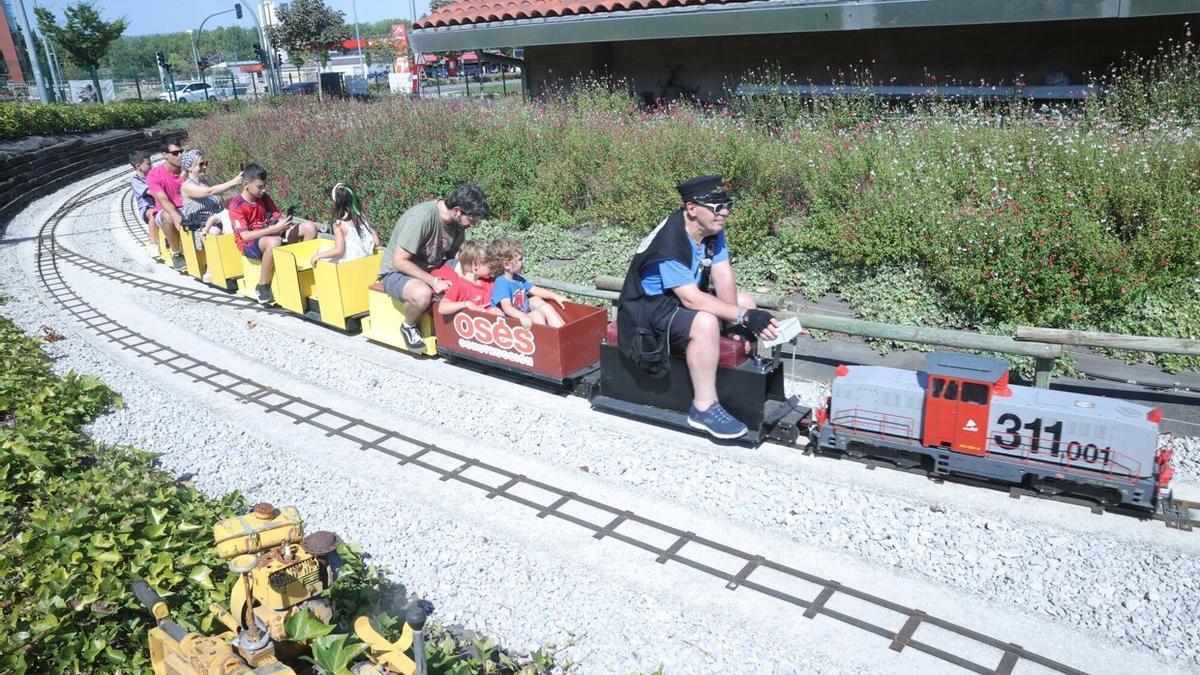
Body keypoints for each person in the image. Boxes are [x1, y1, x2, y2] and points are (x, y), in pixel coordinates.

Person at [616, 175, 779, 440]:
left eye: (727, 205)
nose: (724, 212)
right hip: (647, 314)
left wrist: (737, 323)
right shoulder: (669, 243)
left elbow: (723, 275)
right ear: (692, 208)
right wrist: (746, 318)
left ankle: (736, 376)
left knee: (745, 300)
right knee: (705, 321)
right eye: (717, 206)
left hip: (677, 299)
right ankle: (703, 407)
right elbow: (691, 299)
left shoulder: (711, 230)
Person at [378, 183, 490, 350]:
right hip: (397, 272)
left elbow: (456, 255)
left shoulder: (457, 223)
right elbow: (399, 261)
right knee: (423, 294)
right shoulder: (421, 219)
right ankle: (408, 326)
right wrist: (434, 281)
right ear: (456, 210)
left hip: (432, 266)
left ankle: (477, 316)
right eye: (472, 219)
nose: (472, 225)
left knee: (473, 271)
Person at [228, 163, 318, 304]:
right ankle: (262, 285)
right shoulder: (237, 205)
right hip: (251, 243)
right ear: (246, 184)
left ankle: (300, 271)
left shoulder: (264, 197)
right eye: (259, 187)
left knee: (309, 227)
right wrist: (273, 230)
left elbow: (276, 215)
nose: (263, 190)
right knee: (274, 241)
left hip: (271, 232)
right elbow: (245, 236)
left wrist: (284, 224)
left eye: (264, 186)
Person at [488, 238, 566, 329]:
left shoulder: (517, 278)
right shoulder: (501, 283)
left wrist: (555, 296)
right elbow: (507, 307)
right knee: (537, 315)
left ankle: (562, 331)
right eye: (520, 259)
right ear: (507, 264)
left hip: (523, 312)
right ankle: (545, 339)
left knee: (544, 305)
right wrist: (522, 316)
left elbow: (535, 290)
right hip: (512, 320)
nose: (523, 261)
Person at [179, 149, 242, 253]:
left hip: (217, 219)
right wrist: (234, 182)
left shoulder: (206, 182)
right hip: (200, 226)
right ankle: (212, 267)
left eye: (205, 163)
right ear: (189, 167)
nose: (204, 167)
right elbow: (209, 192)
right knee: (215, 232)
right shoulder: (186, 187)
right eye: (201, 164)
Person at [310, 183, 381, 266]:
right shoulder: (363, 218)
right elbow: (377, 242)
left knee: (321, 251)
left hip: (350, 265)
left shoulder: (339, 225)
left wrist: (318, 256)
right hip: (367, 262)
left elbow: (339, 251)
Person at [145, 140, 188, 270]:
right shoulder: (155, 174)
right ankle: (176, 253)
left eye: (181, 152)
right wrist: (175, 215)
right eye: (175, 153)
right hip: (165, 210)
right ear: (165, 154)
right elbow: (162, 199)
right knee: (168, 216)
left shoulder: (187, 171)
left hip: (188, 207)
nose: (179, 155)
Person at [436, 240, 500, 316]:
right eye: (490, 266)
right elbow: (442, 308)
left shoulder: (490, 282)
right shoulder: (460, 285)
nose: (493, 268)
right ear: (475, 265)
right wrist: (466, 304)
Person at [128, 151, 156, 243]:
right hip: (147, 208)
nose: (151, 166)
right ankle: (153, 243)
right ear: (138, 166)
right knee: (153, 214)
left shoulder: (153, 176)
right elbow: (151, 192)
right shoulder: (136, 181)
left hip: (159, 204)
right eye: (148, 164)